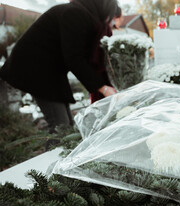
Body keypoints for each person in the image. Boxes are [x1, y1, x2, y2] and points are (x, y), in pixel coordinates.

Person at [0, 0, 118, 133]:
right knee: (60, 127)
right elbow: (74, 58)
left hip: (50, 71)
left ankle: (64, 152)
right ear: (104, 9)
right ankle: (55, 153)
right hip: (37, 70)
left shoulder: (81, 13)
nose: (110, 23)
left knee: (67, 125)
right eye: (110, 17)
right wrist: (102, 87)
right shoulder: (75, 14)